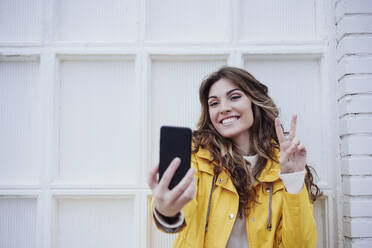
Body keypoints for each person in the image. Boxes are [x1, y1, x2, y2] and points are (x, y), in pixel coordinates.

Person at [148, 66, 321, 247]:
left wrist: (293, 179)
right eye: (214, 103)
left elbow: (300, 244)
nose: (223, 108)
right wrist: (166, 211)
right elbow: (179, 208)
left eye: (235, 97)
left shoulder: (286, 165)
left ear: (254, 101)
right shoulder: (197, 157)